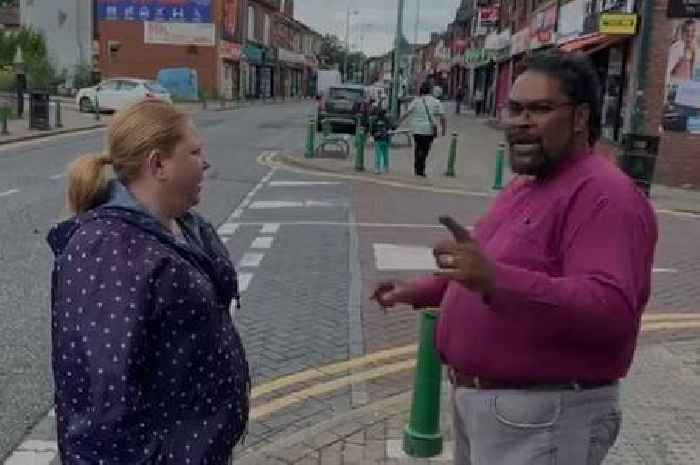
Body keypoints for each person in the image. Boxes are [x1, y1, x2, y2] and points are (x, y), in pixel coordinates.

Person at [372, 50, 657, 465]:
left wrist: (494, 279)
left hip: (545, 419)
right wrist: (416, 290)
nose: (519, 123)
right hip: (492, 410)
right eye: (515, 109)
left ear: (580, 118)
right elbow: (482, 269)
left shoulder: (606, 196)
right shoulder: (528, 186)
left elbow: (610, 307)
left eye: (539, 109)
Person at [48, 99, 250, 465]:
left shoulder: (185, 225)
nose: (205, 162)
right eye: (194, 152)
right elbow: (100, 410)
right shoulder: (107, 251)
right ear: (158, 164)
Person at [400, 81, 447, 177]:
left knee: (418, 148)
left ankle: (417, 167)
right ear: (430, 90)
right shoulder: (435, 101)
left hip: (416, 130)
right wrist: (443, 129)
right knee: (425, 149)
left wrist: (397, 122)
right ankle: (421, 169)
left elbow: (406, 113)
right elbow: (442, 116)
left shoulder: (416, 101)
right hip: (428, 131)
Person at [667, 19, 697, 85]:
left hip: (686, 83)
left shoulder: (692, 48)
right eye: (687, 31)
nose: (690, 33)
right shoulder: (678, 46)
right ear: (682, 32)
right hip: (675, 81)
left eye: (693, 30)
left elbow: (692, 71)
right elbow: (668, 68)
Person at [371, 108, 393, 174]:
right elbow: (391, 128)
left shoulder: (375, 120)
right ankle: (385, 168)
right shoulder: (386, 120)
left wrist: (374, 134)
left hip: (378, 140)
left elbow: (372, 131)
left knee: (378, 155)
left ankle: (377, 169)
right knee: (385, 155)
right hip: (385, 140)